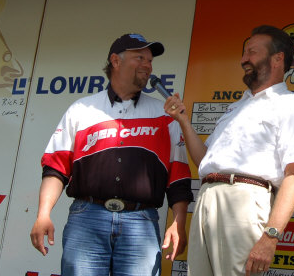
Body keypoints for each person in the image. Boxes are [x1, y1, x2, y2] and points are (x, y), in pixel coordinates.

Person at [30, 33, 193, 276]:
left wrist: (179, 222)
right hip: (87, 218)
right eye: (140, 58)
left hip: (141, 221)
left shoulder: (165, 115)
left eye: (150, 61)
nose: (148, 66)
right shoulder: (81, 109)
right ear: (115, 61)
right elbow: (55, 168)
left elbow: (178, 177)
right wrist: (43, 214)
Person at [164, 25, 294, 276]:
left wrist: (271, 236)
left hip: (245, 201)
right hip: (206, 197)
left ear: (277, 59)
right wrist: (184, 122)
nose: (244, 59)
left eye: (252, 52)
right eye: (244, 53)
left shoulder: (292, 105)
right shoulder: (236, 107)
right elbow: (204, 159)